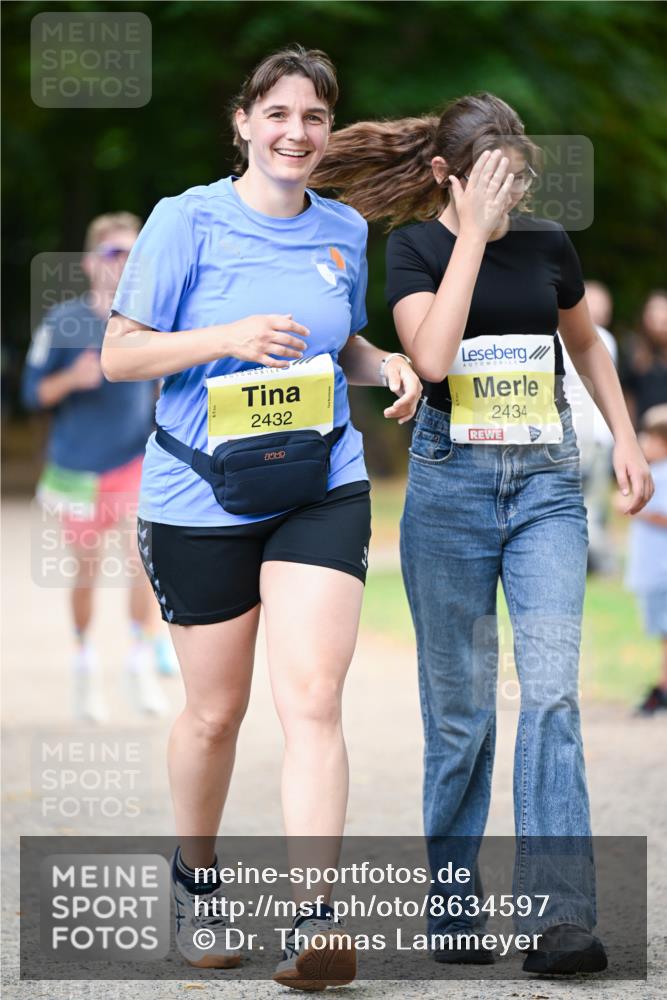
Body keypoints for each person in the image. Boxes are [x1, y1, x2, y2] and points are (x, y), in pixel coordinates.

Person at [101, 46, 421, 990]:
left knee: (312, 698)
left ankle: (315, 921)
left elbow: (337, 343)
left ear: (328, 132)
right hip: (199, 495)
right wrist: (227, 338)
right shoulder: (184, 220)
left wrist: (386, 364)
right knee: (214, 713)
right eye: (277, 113)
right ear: (243, 123)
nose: (296, 132)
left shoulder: (341, 228)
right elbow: (122, 355)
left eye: (314, 117)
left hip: (319, 484)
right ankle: (195, 880)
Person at [312, 93, 653, 975]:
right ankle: (454, 904)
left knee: (549, 692)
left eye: (518, 179)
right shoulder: (418, 246)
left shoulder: (547, 245)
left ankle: (559, 918)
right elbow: (429, 357)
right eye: (491, 181)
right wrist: (469, 232)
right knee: (460, 713)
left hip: (542, 485)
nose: (510, 198)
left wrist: (621, 435)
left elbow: (585, 348)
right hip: (451, 488)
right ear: (444, 175)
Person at [22, 212, 177, 724]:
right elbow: (30, 393)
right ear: (91, 263)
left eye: (135, 254)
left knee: (143, 563)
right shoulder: (63, 322)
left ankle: (140, 661)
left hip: (135, 459)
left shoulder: (151, 318)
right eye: (115, 254)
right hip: (78, 467)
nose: (125, 263)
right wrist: (73, 379)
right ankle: (85, 661)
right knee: (86, 572)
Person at [561, 280, 618, 573]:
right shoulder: (578, 338)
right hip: (581, 433)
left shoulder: (601, 339)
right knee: (585, 502)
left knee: (591, 503)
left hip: (593, 435)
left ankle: (596, 563)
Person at [619, 404, 667, 714]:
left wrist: (631, 503)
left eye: (649, 439)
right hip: (652, 570)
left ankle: (662, 689)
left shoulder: (661, 475)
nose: (644, 445)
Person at [622, 289, 667, 427]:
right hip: (644, 434)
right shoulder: (634, 354)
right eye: (652, 312)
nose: (657, 318)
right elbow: (628, 399)